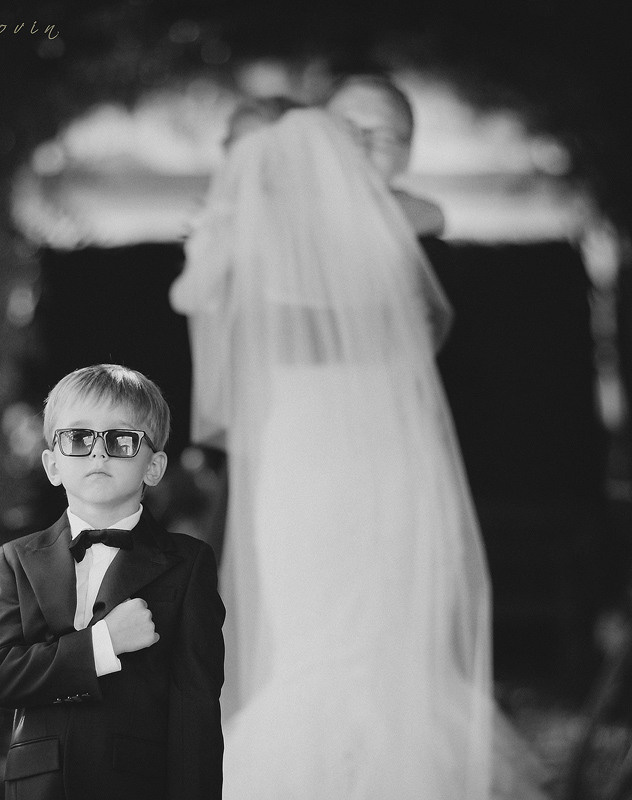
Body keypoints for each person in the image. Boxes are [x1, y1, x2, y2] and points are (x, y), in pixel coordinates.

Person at [170, 108, 548, 799]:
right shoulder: (377, 236)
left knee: (317, 634)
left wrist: (221, 230)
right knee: (366, 632)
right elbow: (422, 314)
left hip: (302, 452)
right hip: (379, 447)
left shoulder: (253, 239)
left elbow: (190, 296)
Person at [0, 364, 225, 800]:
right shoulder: (16, 560)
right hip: (39, 785)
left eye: (121, 439)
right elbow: (0, 677)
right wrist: (101, 644)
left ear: (154, 466)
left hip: (135, 784)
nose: (98, 453)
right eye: (78, 438)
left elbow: (196, 712)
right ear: (52, 463)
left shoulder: (187, 565)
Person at [326, 73, 447, 239]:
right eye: (346, 131)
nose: (360, 147)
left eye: (384, 138)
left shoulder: (422, 235)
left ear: (405, 156)